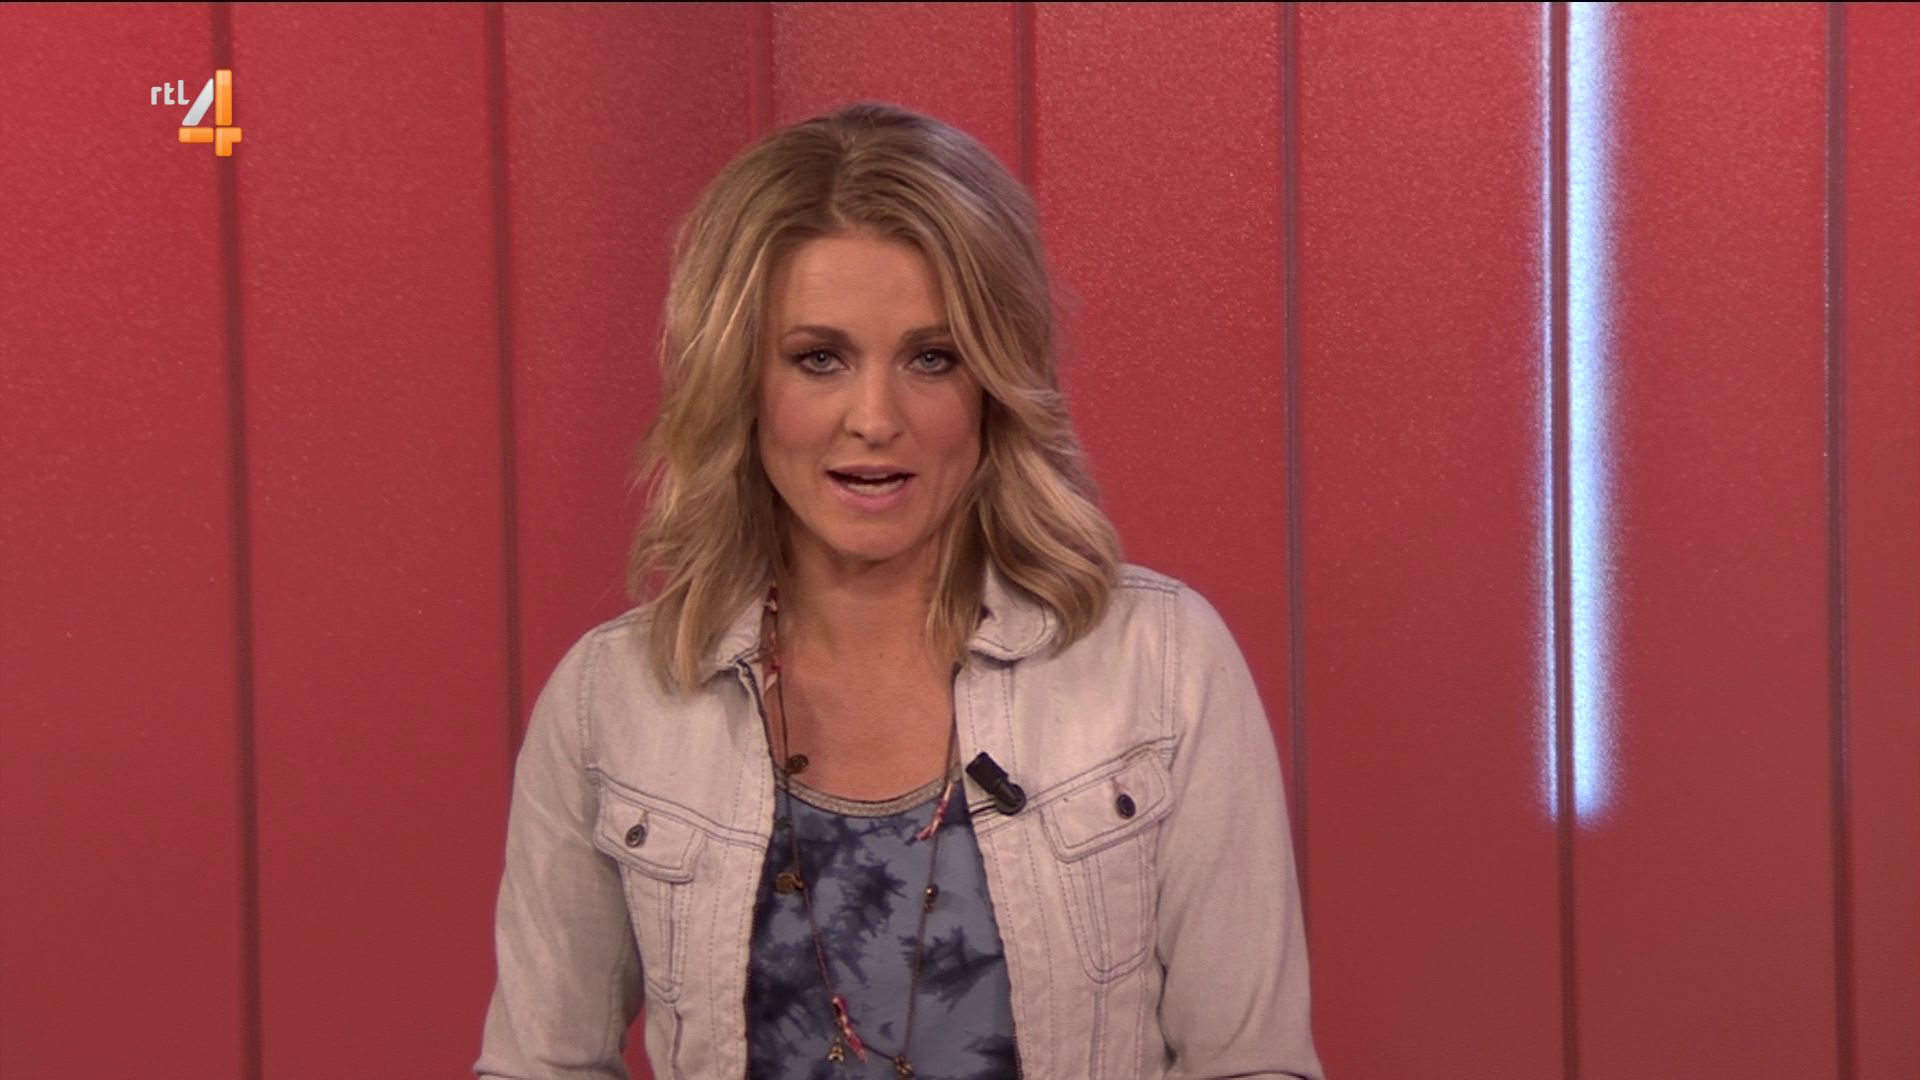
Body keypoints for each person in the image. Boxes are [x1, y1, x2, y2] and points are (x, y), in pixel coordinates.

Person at [476, 102, 1321, 1080]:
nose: (875, 418)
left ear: (995, 381)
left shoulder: (1160, 666)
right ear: (740, 384)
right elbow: (538, 1063)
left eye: (932, 357)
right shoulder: (612, 698)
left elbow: (1252, 1063)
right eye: (819, 359)